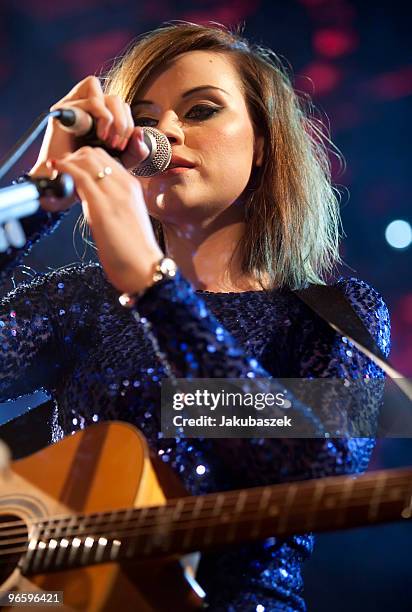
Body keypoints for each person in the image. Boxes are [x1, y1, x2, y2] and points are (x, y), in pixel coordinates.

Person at [0, 22, 390, 611]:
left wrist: (154, 288)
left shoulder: (335, 311)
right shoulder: (84, 303)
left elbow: (321, 463)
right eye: (146, 118)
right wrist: (41, 198)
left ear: (263, 146)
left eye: (202, 110)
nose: (168, 133)